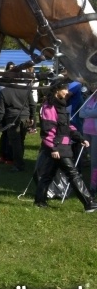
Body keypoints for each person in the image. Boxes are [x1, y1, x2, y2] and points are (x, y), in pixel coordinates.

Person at [34, 78, 97, 212]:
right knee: (74, 174)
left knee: (47, 175)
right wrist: (53, 148)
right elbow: (48, 130)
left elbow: (67, 126)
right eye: (65, 89)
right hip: (57, 147)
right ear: (57, 90)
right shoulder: (49, 106)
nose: (68, 92)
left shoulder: (60, 104)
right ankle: (89, 203)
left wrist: (79, 138)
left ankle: (39, 201)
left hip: (62, 145)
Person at [0, 80, 35, 172]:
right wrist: (32, 116)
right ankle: (20, 161)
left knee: (15, 142)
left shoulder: (4, 92)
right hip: (25, 117)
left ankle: (18, 164)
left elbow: (0, 110)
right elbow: (32, 104)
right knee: (21, 140)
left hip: (11, 118)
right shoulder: (26, 90)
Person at [79, 85, 97, 193]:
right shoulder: (89, 98)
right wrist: (90, 114)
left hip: (95, 133)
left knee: (95, 161)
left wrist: (87, 113)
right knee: (91, 158)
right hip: (86, 132)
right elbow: (81, 113)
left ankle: (93, 186)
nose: (93, 88)